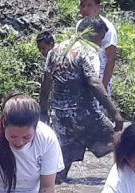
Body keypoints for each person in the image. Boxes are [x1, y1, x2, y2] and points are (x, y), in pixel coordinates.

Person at [39, 16, 123, 180]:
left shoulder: (55, 51)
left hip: (60, 116)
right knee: (122, 142)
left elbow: (46, 85)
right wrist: (115, 114)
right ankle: (127, 181)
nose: (100, 44)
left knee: (62, 165)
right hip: (84, 114)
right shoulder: (88, 51)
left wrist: (43, 111)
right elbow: (94, 83)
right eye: (100, 39)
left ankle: (54, 190)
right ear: (93, 34)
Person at [78, 0, 118, 95]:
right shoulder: (80, 25)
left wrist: (103, 86)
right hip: (82, 78)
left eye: (89, 5)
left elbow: (111, 60)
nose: (85, 9)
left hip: (100, 78)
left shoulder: (107, 29)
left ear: (98, 8)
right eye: (82, 5)